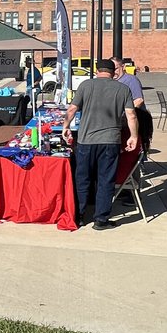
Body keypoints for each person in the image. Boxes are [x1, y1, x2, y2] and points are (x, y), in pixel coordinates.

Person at [63, 58, 138, 230]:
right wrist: (133, 136)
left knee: (83, 178)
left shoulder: (85, 85)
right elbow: (131, 115)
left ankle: (79, 216)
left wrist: (66, 127)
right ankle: (101, 219)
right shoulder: (123, 88)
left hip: (86, 140)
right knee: (106, 180)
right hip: (110, 141)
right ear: (114, 72)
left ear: (97, 70)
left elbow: (72, 109)